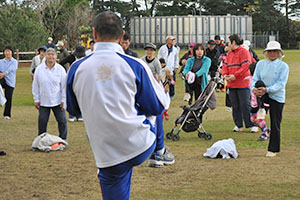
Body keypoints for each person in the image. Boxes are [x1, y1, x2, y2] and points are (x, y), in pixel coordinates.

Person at [66, 11, 170, 200]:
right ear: (122, 35)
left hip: (105, 149)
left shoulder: (76, 68)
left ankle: (159, 149)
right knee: (156, 106)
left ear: (94, 33)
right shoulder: (134, 64)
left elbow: (73, 110)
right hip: (138, 144)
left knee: (115, 180)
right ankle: (160, 150)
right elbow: (158, 106)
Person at [251, 41, 289, 157]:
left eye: (274, 51)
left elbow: (281, 84)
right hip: (262, 94)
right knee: (259, 83)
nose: (272, 53)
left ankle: (273, 149)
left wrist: (267, 90)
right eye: (270, 51)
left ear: (279, 53)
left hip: (276, 97)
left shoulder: (283, 66)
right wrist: (254, 89)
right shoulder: (261, 64)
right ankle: (262, 107)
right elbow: (254, 79)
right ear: (266, 52)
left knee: (275, 123)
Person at [222, 34, 258, 133]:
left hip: (243, 84)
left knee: (245, 104)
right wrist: (225, 75)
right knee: (235, 105)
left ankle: (251, 124)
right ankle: (238, 125)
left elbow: (246, 66)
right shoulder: (229, 54)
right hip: (231, 84)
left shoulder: (244, 52)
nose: (227, 44)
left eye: (229, 42)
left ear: (233, 42)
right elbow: (225, 67)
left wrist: (235, 75)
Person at [32, 48, 67, 140]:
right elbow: (35, 85)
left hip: (57, 100)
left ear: (56, 56)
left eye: (53, 54)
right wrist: (36, 99)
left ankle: (63, 139)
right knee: (42, 121)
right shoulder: (39, 69)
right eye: (49, 54)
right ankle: (41, 139)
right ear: (45, 56)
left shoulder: (60, 69)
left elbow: (64, 86)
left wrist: (63, 100)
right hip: (44, 100)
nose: (51, 56)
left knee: (62, 121)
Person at [60, 45, 86, 122]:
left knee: (80, 96)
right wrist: (66, 70)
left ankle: (79, 115)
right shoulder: (71, 57)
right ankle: (71, 115)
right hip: (72, 77)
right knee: (71, 95)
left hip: (81, 78)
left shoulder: (85, 59)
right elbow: (62, 62)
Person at [248, 63, 270, 141]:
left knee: (259, 118)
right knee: (252, 119)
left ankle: (265, 134)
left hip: (261, 105)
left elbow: (262, 95)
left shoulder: (259, 82)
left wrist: (262, 106)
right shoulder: (252, 79)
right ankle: (265, 128)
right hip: (254, 104)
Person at [0, 46, 18, 119]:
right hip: (2, 79)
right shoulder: (1, 61)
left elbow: (10, 69)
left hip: (10, 81)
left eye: (9, 51)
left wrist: (3, 74)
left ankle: (7, 114)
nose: (7, 53)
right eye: (6, 51)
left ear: (11, 52)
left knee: (9, 98)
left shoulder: (14, 62)